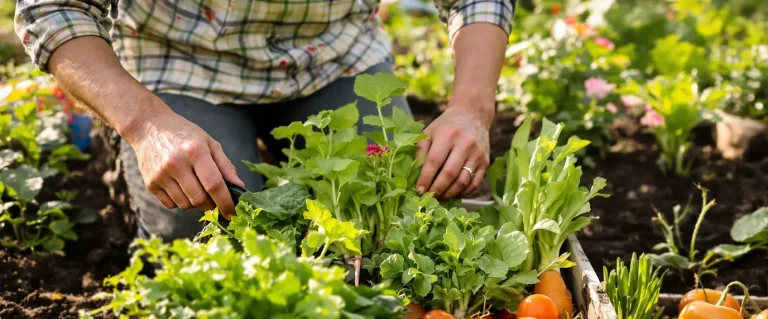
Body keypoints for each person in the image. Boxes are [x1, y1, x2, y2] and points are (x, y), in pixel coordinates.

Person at [15, 0, 516, 241]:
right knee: (208, 232)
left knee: (389, 223)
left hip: (333, 58)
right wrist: (146, 126)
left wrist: (471, 109)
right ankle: (133, 170)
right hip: (176, 65)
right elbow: (53, 8)